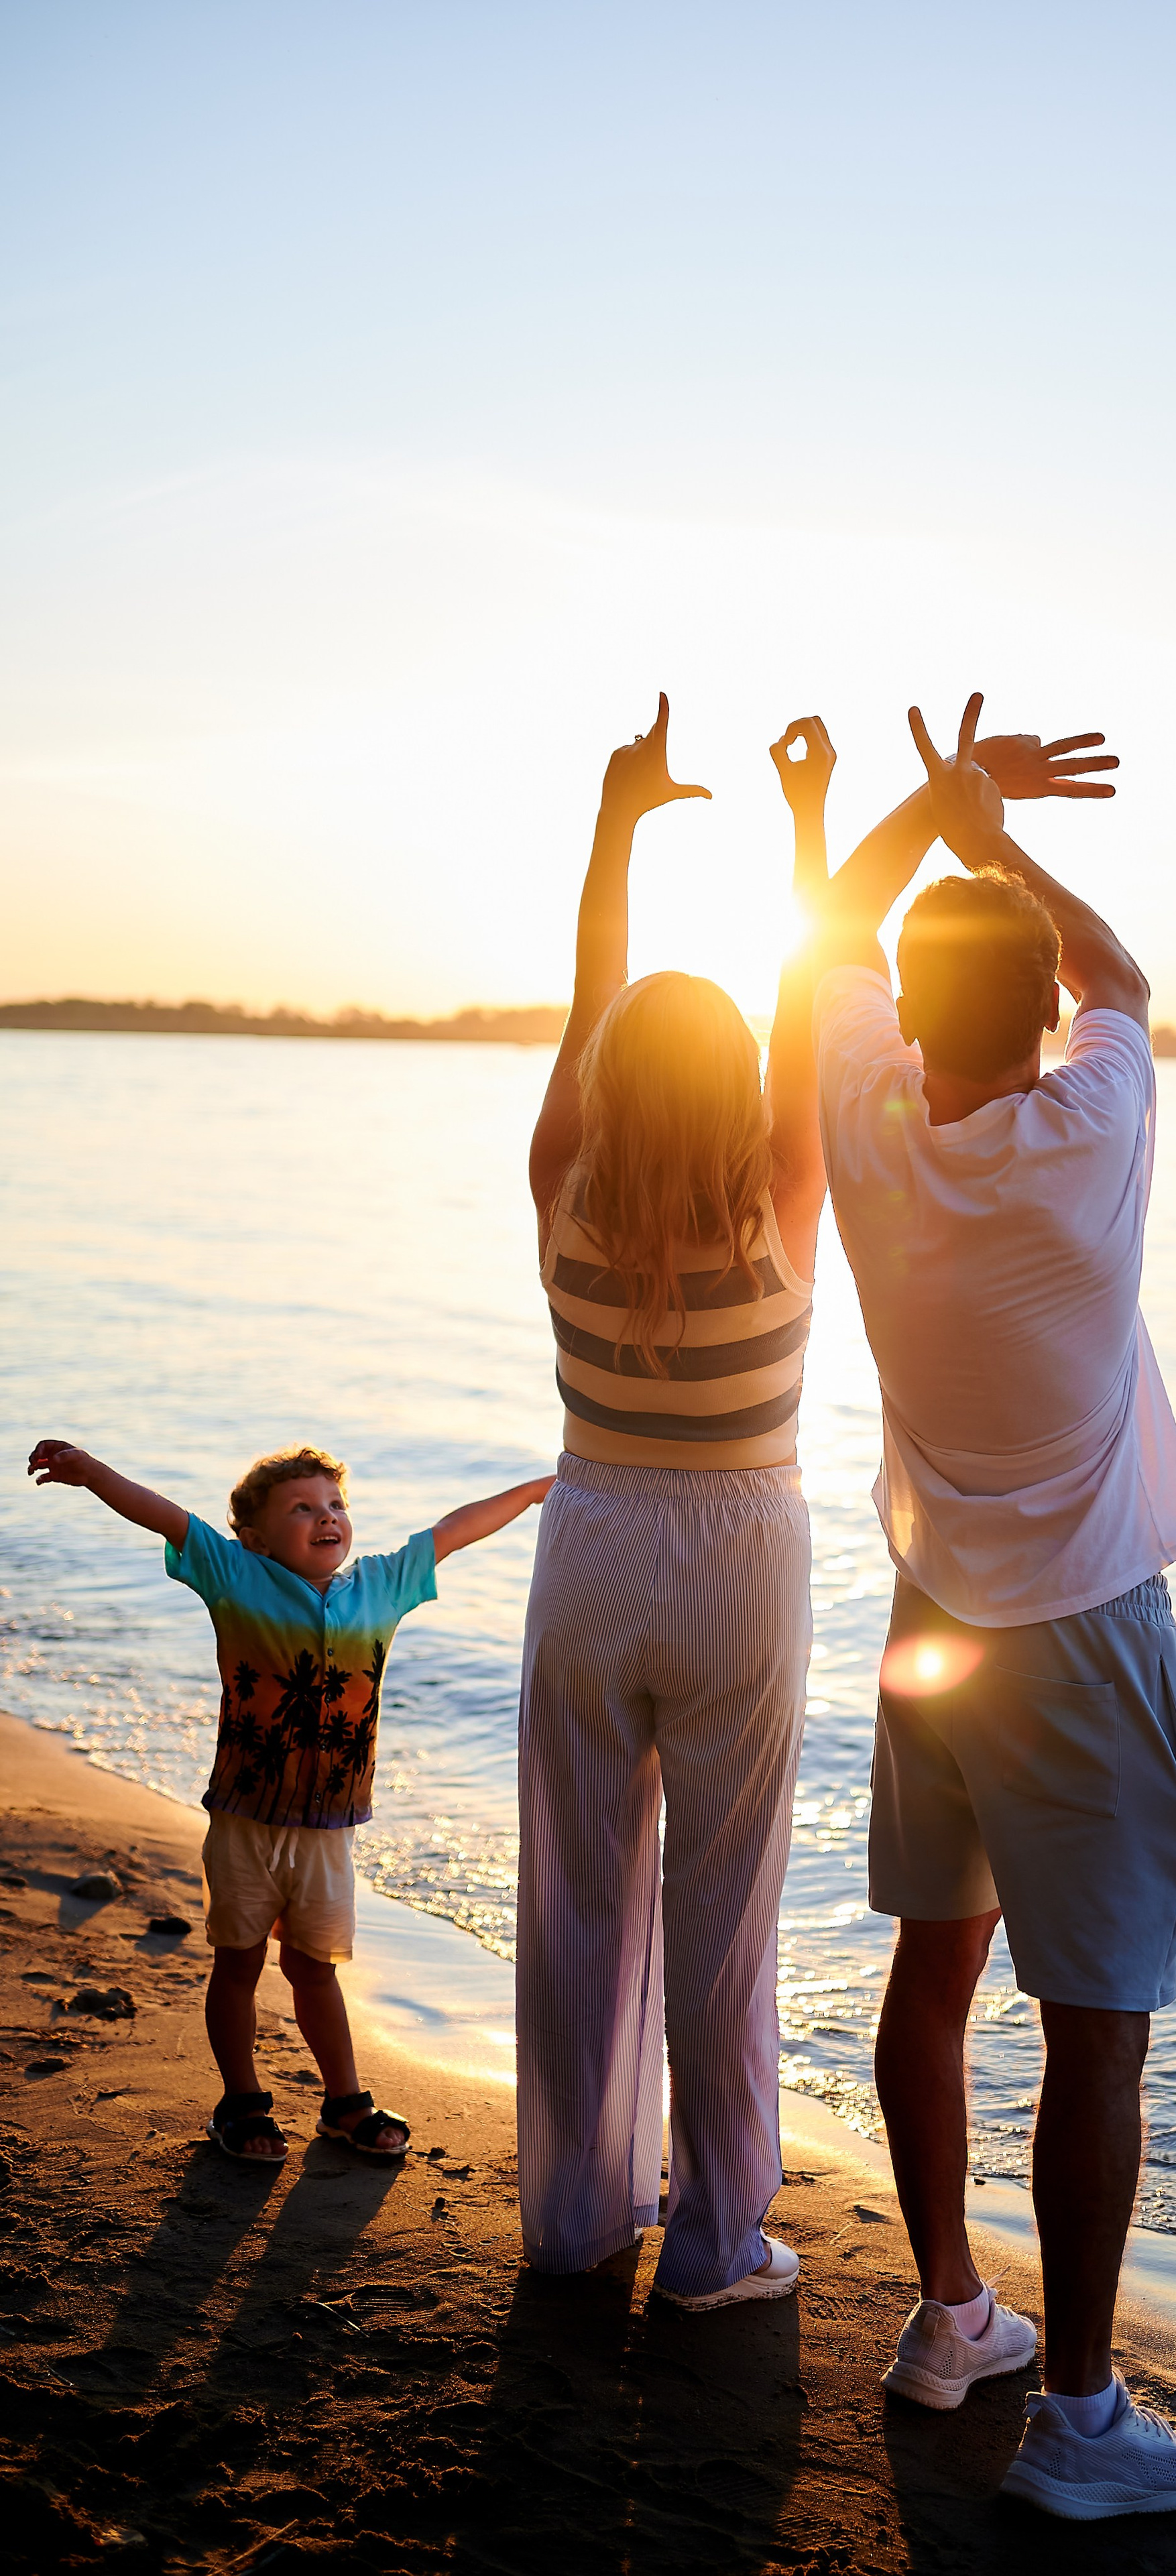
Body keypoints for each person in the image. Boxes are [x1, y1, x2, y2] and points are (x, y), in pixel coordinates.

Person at [810, 693, 1176, 2518]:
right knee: (1098, 2026)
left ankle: (951, 2313)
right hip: (1083, 1630)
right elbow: (1120, 965)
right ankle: (1074, 2410)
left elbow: (832, 935)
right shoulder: (1091, 1134)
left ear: (910, 1016)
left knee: (937, 1963)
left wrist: (933, 807)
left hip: (931, 1620)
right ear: (1040, 1018)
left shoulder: (866, 1127)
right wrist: (1003, 840)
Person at [516, 692, 834, 2308]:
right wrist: (805, 823)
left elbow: (590, 997)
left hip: (586, 1543)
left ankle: (575, 2215)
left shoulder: (561, 1182)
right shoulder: (785, 1196)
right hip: (737, 1557)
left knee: (580, 1894)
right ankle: (715, 2238)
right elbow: (805, 1003)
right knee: (725, 1919)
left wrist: (616, 820)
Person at [25, 1436, 550, 2164]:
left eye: (335, 1503)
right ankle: (240, 2102)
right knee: (237, 1961)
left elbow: (452, 1530)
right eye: (301, 1508)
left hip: (330, 1827)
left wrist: (532, 1491)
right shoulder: (236, 1576)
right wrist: (90, 1474)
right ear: (255, 1537)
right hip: (245, 1818)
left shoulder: (381, 1586)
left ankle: (345, 2102)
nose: (326, 1516)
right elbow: (167, 1517)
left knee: (315, 1966)